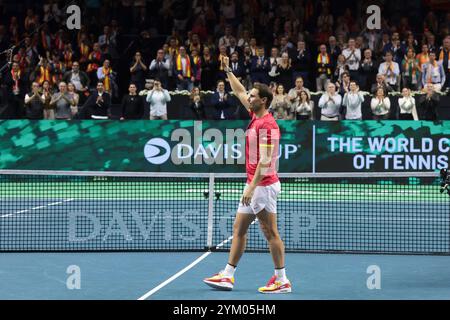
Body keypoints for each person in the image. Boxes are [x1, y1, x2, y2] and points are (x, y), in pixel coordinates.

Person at [204, 56, 291, 294]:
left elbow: (264, 161)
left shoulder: (268, 126)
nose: (248, 98)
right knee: (239, 229)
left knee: (270, 232)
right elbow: (239, 90)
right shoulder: (255, 115)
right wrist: (228, 71)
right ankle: (227, 275)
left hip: (262, 186)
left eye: (253, 96)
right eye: (250, 95)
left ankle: (281, 279)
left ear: (263, 101)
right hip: (255, 185)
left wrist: (251, 188)